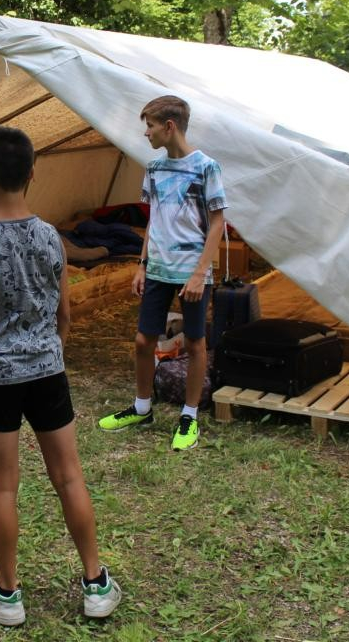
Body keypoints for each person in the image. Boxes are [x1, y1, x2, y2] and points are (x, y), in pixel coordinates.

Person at [0, 126, 121, 626]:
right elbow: (64, 315)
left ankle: (6, 597)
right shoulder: (52, 238)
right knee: (69, 477)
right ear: (33, 174)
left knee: (2, 488)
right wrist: (50, 350)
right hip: (48, 373)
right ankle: (96, 585)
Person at [98, 95, 227, 451]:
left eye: (150, 126)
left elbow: (218, 222)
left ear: (169, 126)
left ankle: (189, 416)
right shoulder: (154, 168)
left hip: (191, 272)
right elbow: (154, 219)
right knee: (144, 341)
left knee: (196, 342)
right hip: (157, 268)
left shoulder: (206, 167)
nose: (146, 133)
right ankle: (142, 408)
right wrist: (141, 264)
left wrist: (200, 273)